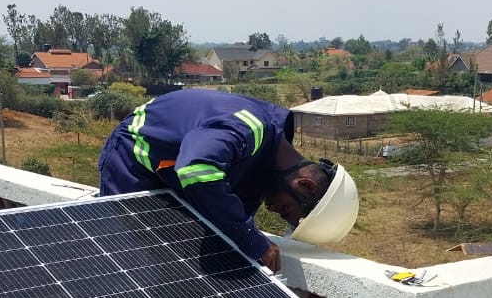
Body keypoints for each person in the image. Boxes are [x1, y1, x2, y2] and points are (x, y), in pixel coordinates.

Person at [97, 89, 358, 272]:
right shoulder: (250, 129)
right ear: (305, 185)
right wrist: (251, 240)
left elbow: (226, 216)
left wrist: (244, 238)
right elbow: (196, 168)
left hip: (168, 174)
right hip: (133, 161)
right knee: (137, 261)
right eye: (285, 210)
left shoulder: (260, 169)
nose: (273, 210)